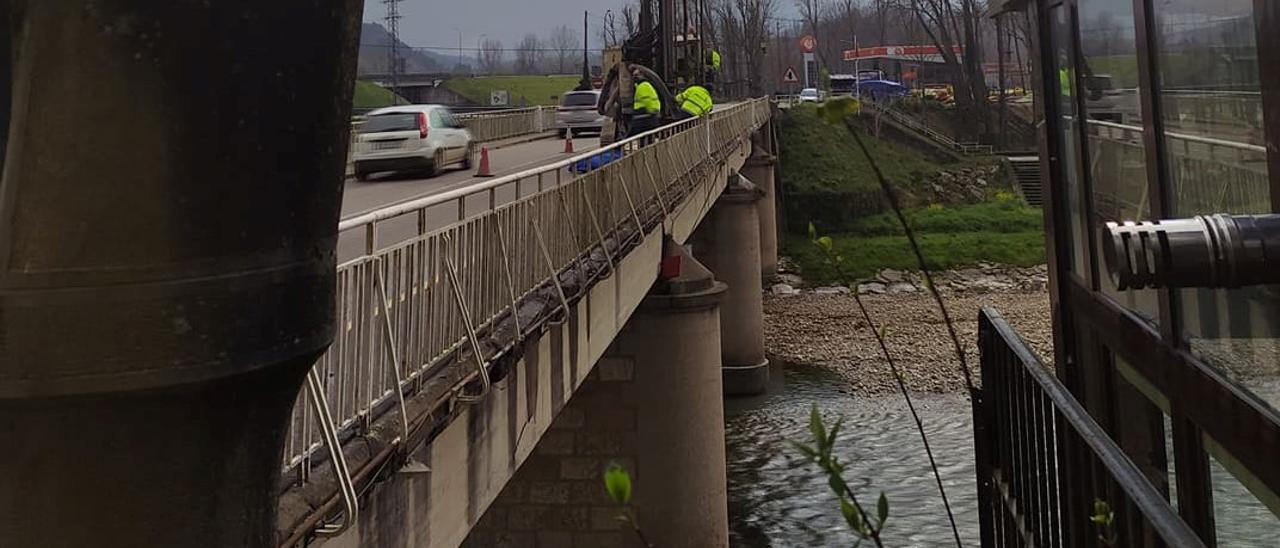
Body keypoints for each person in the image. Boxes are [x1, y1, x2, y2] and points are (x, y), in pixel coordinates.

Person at [630, 67, 662, 138]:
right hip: (650, 118)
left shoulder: (643, 86)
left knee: (644, 141)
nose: (634, 77)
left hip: (644, 119)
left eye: (636, 75)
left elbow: (647, 101)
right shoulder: (648, 85)